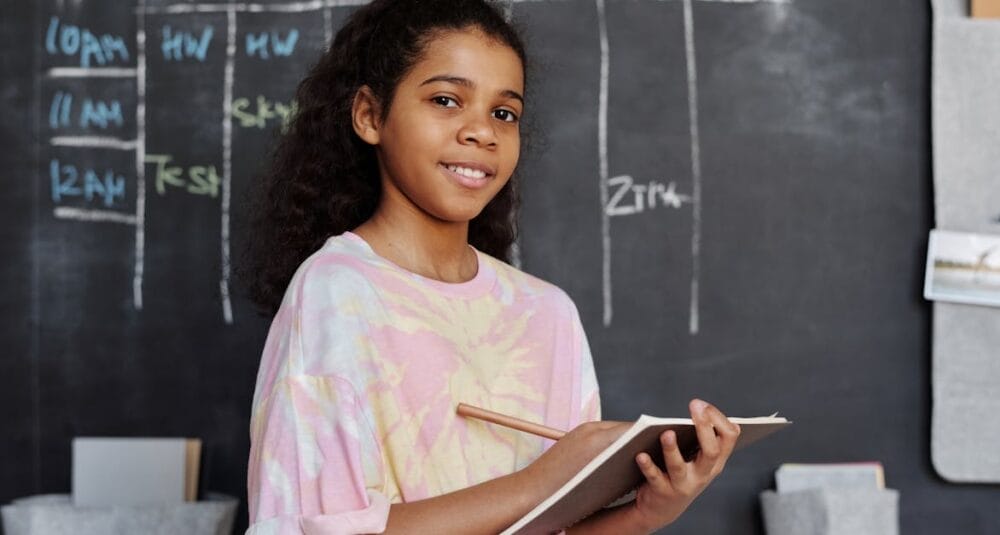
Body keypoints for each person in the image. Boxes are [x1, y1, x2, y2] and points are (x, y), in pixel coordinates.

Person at [241, 0, 740, 533]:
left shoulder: (547, 313)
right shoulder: (334, 294)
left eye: (504, 113)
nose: (482, 132)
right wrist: (543, 479)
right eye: (446, 100)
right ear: (369, 115)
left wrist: (644, 513)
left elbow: (558, 528)